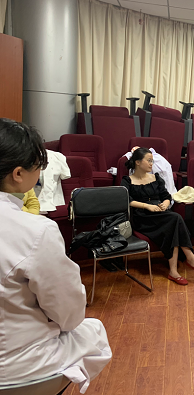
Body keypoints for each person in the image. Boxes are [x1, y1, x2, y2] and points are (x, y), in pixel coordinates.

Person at [0, 118, 111, 392]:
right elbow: (70, 315)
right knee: (93, 331)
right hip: (16, 369)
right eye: (39, 166)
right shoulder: (36, 230)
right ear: (18, 174)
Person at [121, 148, 194, 286]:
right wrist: (146, 206)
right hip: (142, 217)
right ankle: (188, 257)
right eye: (149, 161)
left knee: (173, 222)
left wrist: (165, 204)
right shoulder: (127, 180)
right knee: (175, 219)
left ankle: (174, 271)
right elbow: (126, 200)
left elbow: (166, 196)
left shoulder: (156, 178)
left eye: (152, 161)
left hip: (159, 213)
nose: (151, 164)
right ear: (137, 162)